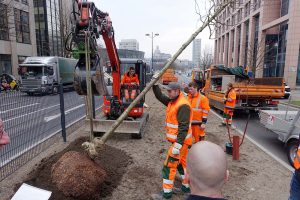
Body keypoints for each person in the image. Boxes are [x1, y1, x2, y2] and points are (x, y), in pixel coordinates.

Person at [151, 81, 193, 200]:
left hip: (181, 143)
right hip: (183, 143)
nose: (168, 93)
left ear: (177, 91)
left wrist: (177, 145)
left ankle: (166, 195)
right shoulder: (173, 101)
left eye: (170, 91)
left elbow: (183, 127)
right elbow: (160, 96)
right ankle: (186, 188)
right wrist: (154, 84)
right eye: (167, 91)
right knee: (182, 165)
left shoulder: (182, 105)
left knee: (168, 167)